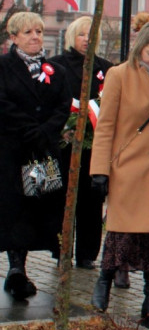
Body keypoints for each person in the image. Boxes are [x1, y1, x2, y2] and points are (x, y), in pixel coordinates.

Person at [89, 22, 149, 327]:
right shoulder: (119, 75)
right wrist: (99, 170)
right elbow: (105, 126)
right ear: (139, 49)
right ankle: (104, 282)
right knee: (121, 234)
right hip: (127, 168)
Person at [0, 12, 71, 300]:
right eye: (28, 32)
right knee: (12, 206)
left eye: (39, 32)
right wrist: (30, 128)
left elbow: (64, 104)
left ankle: (25, 264)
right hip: (11, 151)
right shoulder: (3, 67)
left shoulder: (56, 70)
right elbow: (2, 102)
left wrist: (46, 131)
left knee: (36, 203)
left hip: (40, 153)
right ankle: (15, 267)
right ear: (13, 37)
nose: (35, 37)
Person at [51, 16, 113, 269]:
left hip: (93, 146)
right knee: (62, 200)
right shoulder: (56, 66)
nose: (87, 39)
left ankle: (87, 253)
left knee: (91, 202)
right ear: (71, 37)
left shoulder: (106, 68)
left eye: (92, 35)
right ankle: (61, 250)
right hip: (64, 145)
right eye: (82, 35)